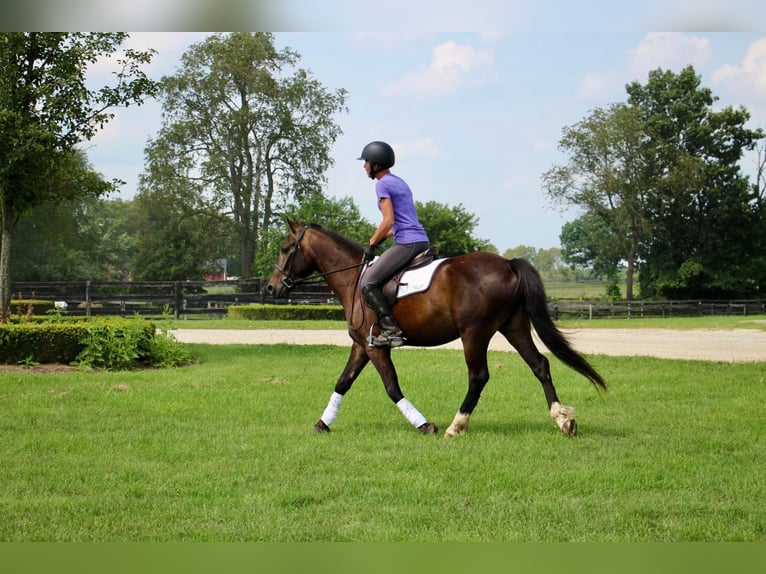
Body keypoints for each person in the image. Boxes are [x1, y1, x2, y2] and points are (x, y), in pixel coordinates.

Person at [357, 141, 430, 348]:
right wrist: (383, 237)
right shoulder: (399, 182)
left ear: (376, 164)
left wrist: (371, 243)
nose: (364, 167)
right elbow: (396, 224)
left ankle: (391, 331)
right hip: (419, 240)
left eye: (366, 162)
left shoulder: (382, 184)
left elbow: (388, 220)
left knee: (368, 283)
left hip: (407, 242)